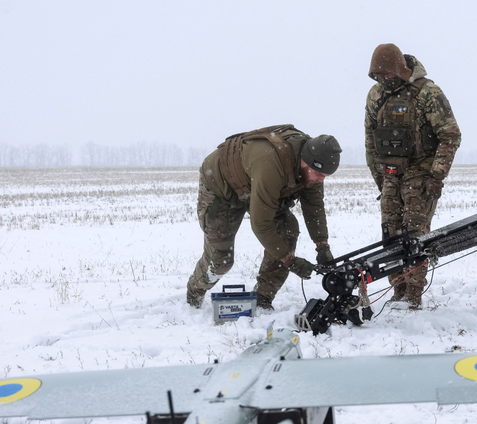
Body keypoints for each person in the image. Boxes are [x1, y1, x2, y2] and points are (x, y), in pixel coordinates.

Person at [185, 125, 342, 310]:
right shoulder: (272, 164)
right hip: (222, 188)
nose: (320, 180)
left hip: (255, 183)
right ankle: (193, 294)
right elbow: (261, 224)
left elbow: (314, 207)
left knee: (287, 229)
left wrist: (322, 246)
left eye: (325, 176)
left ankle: (262, 298)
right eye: (318, 174)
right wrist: (290, 261)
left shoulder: (313, 167)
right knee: (221, 260)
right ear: (305, 161)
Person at [365, 43, 461, 309]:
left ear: (399, 69)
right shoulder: (375, 96)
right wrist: (380, 178)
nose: (382, 80)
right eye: (378, 76)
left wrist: (437, 176)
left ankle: (414, 297)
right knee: (391, 235)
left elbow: (450, 134)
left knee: (414, 236)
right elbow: (370, 141)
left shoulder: (428, 92)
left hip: (421, 173)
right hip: (390, 175)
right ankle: (397, 292)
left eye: (386, 75)